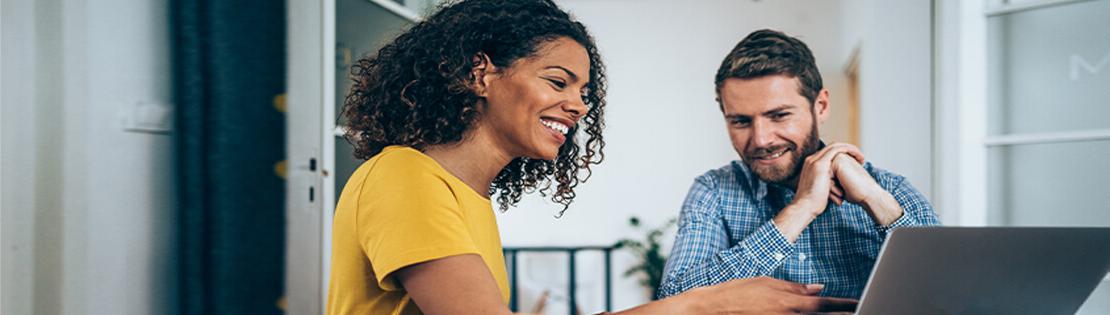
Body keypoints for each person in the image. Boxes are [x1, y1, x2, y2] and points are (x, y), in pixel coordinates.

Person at [327, 1, 856, 314]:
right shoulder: (405, 177)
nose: (579, 105)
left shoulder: (467, 199)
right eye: (559, 81)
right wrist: (708, 303)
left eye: (584, 91)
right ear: (479, 72)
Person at [657, 29, 942, 300]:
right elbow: (675, 301)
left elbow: (947, 290)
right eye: (741, 121)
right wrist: (801, 208)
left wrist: (876, 201)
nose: (761, 139)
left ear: (821, 106)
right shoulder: (714, 191)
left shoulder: (889, 189)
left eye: (779, 115)